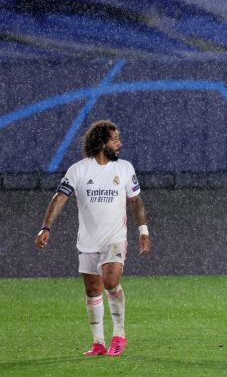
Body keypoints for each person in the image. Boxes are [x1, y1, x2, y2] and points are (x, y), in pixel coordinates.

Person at [35, 120, 150, 357]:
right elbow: (59, 198)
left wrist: (143, 231)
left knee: (110, 280)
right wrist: (46, 227)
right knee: (92, 289)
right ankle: (98, 343)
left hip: (115, 238)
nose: (120, 144)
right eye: (115, 139)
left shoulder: (125, 168)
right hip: (88, 241)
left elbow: (135, 201)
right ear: (101, 142)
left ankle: (119, 335)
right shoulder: (78, 170)